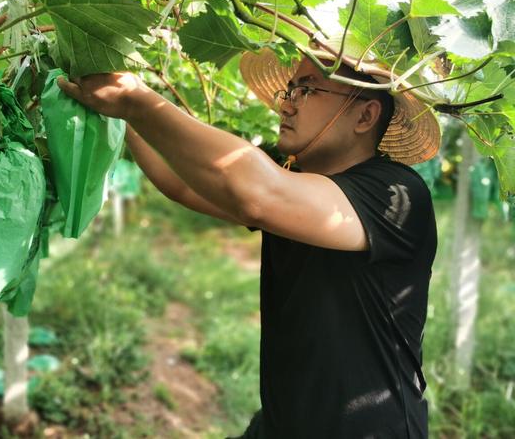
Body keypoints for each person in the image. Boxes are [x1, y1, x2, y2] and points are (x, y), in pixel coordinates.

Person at [57, 36, 441, 438]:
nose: (287, 103)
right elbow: (184, 185)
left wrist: (138, 101)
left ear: (365, 116)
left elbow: (257, 195)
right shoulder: (295, 182)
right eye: (291, 88)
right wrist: (120, 114)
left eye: (308, 89)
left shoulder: (396, 196)